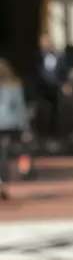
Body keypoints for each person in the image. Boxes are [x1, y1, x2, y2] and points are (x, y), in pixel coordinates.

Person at [0, 58, 29, 200]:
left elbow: (20, 108)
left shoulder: (13, 86)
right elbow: (20, 108)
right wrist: (24, 127)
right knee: (4, 155)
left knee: (4, 155)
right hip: (9, 124)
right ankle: (3, 182)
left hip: (7, 124)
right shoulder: (14, 86)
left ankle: (2, 182)